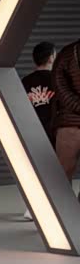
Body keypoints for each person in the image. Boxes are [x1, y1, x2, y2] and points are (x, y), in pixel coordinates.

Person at [21, 42, 57, 220]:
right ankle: (52, 209)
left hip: (31, 131)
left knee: (32, 170)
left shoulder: (25, 81)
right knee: (54, 172)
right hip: (54, 131)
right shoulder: (57, 80)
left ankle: (31, 208)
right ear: (51, 57)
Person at [52, 37, 80, 195]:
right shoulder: (69, 53)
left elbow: (59, 87)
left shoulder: (67, 53)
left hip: (69, 123)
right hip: (70, 125)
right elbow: (59, 85)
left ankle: (65, 208)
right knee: (63, 176)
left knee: (63, 176)